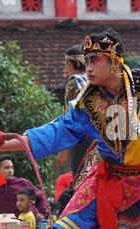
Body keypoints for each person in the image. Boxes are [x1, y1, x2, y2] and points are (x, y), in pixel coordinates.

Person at [0, 31, 140, 229]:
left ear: (114, 60)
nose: (89, 67)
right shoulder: (88, 103)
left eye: (95, 60)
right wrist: (10, 143)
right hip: (106, 180)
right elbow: (56, 131)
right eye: (87, 61)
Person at [0, 154, 49, 229]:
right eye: (6, 168)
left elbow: (40, 196)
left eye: (12, 167)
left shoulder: (22, 182)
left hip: (31, 225)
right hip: (10, 228)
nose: (10, 170)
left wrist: (42, 212)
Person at [55, 44, 92, 178]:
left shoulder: (74, 82)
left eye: (66, 62)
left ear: (72, 63)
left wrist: (63, 149)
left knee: (80, 177)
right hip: (101, 136)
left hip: (83, 137)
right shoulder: (94, 78)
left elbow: (70, 115)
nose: (65, 67)